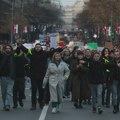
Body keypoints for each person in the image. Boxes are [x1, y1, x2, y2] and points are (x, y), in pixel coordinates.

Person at [17, 41, 49, 110]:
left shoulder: (45, 54)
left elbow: (53, 53)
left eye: (39, 47)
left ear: (41, 48)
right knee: (34, 90)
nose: (37, 48)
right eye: (36, 47)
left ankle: (41, 102)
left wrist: (61, 49)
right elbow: (25, 50)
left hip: (42, 75)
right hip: (33, 75)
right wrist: (20, 45)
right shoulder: (31, 53)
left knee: (41, 90)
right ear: (35, 48)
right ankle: (33, 104)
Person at [0, 45, 15, 111]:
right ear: (4, 49)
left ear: (11, 49)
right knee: (4, 92)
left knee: (9, 92)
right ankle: (5, 104)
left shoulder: (14, 56)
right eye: (6, 48)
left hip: (11, 77)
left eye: (9, 48)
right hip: (3, 76)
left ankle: (7, 105)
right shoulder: (2, 56)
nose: (8, 49)